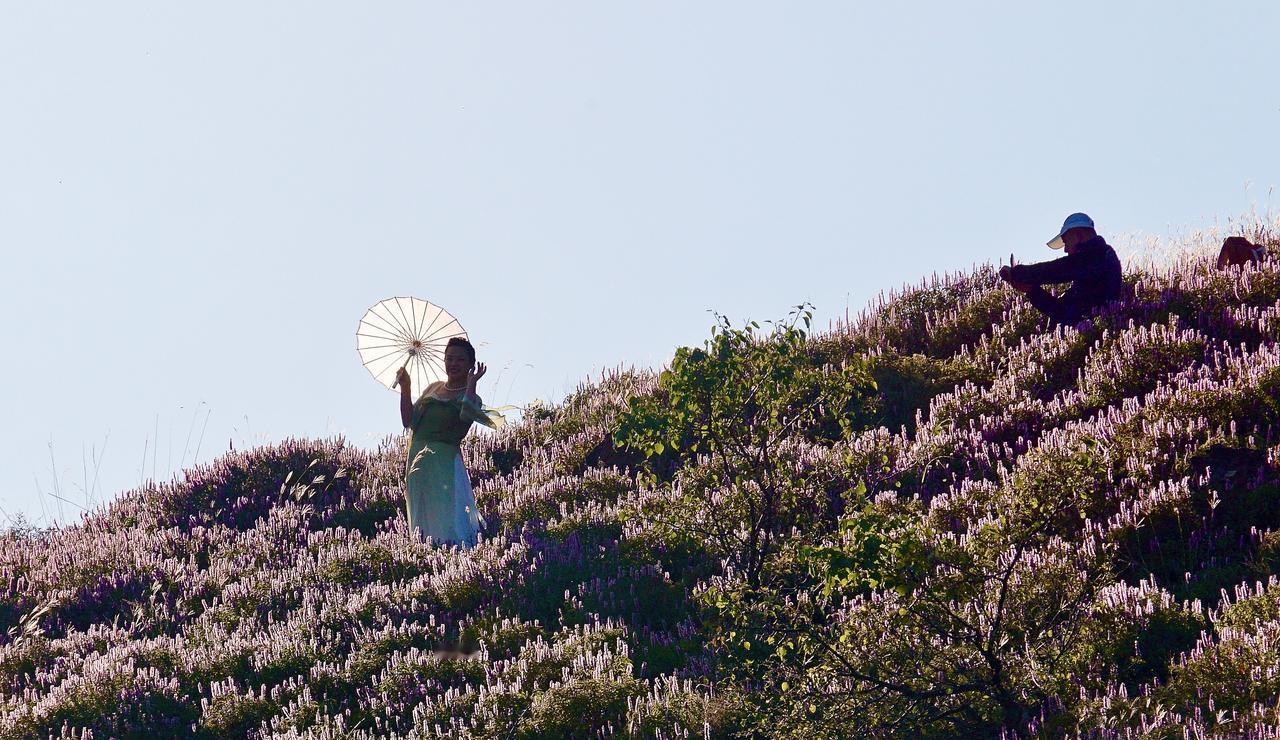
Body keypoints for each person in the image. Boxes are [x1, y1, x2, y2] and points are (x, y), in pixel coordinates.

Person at [394, 337, 502, 546]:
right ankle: (424, 554)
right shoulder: (433, 388)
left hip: (445, 460)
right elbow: (408, 421)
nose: (453, 364)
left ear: (471, 365)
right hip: (417, 458)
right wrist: (405, 387)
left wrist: (471, 386)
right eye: (449, 358)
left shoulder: (472, 398)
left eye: (460, 360)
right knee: (422, 511)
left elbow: (465, 418)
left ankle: (457, 554)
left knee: (448, 510)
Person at [999, 212, 1123, 325]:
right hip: (1083, 336)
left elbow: (1056, 270)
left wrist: (1019, 273)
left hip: (1092, 336)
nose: (1065, 249)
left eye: (1065, 241)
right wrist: (1031, 290)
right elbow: (1061, 311)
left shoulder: (1098, 255)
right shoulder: (1089, 267)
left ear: (1078, 235)